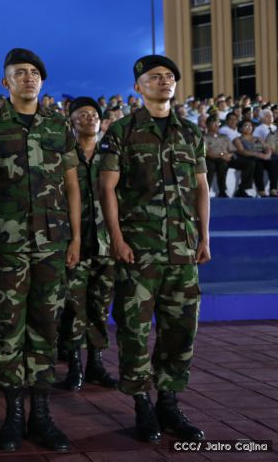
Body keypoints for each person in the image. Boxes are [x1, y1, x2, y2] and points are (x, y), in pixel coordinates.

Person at [0, 48, 80, 454]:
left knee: (47, 327)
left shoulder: (57, 127)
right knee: (8, 329)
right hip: (6, 245)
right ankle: (14, 414)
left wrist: (77, 238)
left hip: (52, 243)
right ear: (5, 82)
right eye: (20, 73)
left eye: (34, 73)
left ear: (42, 82)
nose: (29, 78)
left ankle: (42, 414)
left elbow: (71, 185)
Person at [98, 54, 208, 445]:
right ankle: (141, 403)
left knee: (181, 329)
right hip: (139, 250)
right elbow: (106, 187)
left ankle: (169, 401)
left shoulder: (191, 133)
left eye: (169, 77)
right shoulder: (122, 131)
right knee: (134, 329)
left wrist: (204, 237)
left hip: (182, 249)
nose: (164, 81)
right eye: (154, 77)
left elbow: (200, 189)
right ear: (137, 87)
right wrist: (117, 238)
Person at [58, 97, 118, 392]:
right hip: (74, 243)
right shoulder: (64, 154)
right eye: (82, 114)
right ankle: (74, 366)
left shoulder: (111, 153)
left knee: (100, 305)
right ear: (71, 120)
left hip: (105, 242)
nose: (88, 118)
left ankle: (96, 362)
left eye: (93, 114)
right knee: (73, 305)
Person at [204, 114, 254, 198]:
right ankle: (222, 191)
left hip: (227, 158)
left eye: (218, 123)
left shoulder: (224, 137)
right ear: (208, 125)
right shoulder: (204, 137)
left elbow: (233, 150)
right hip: (213, 158)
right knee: (221, 164)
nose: (217, 125)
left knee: (250, 163)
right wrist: (221, 155)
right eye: (214, 123)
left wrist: (229, 155)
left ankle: (242, 189)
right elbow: (206, 152)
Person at [234, 119, 278, 197]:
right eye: (246, 126)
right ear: (240, 128)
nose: (249, 127)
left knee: (274, 162)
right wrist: (258, 155)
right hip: (250, 158)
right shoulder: (238, 139)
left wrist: (268, 154)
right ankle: (261, 190)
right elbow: (242, 151)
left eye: (250, 126)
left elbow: (267, 147)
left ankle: (273, 189)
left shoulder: (258, 138)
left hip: (262, 157)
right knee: (258, 164)